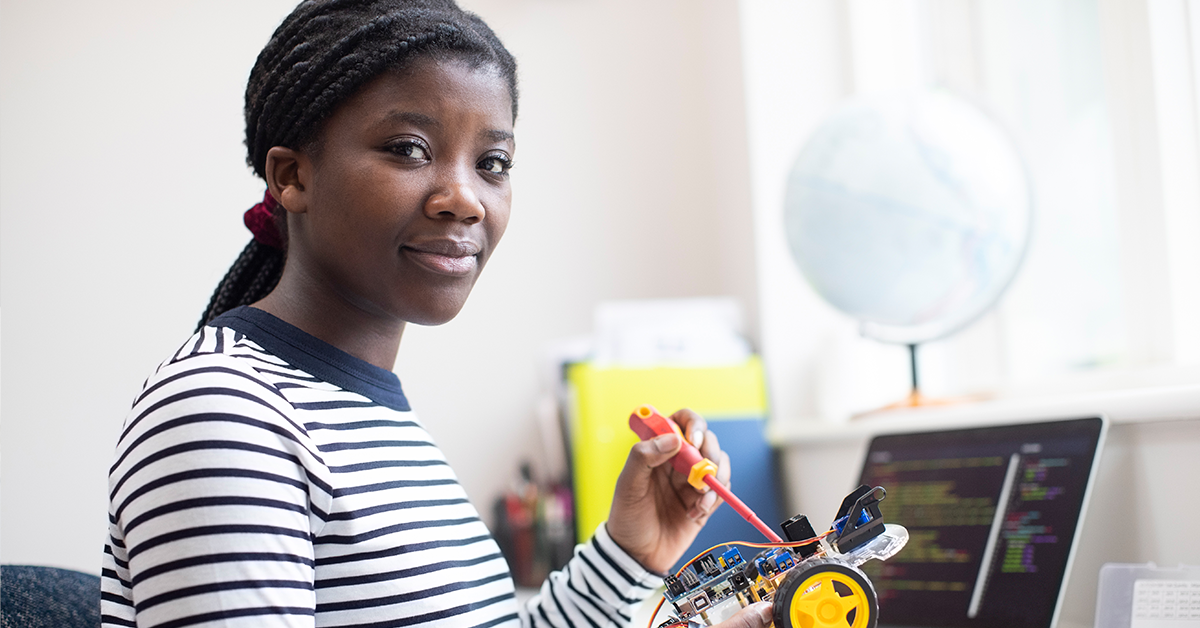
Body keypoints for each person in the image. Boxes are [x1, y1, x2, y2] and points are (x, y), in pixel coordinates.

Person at [101, 2, 774, 627]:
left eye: (493, 163)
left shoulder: (363, 414)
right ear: (292, 177)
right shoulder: (225, 412)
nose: (465, 199)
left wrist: (631, 550)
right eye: (409, 149)